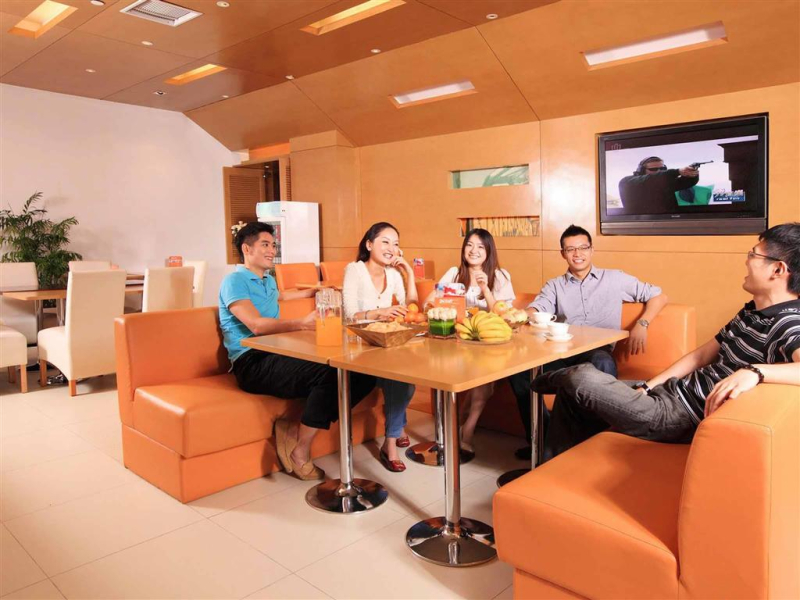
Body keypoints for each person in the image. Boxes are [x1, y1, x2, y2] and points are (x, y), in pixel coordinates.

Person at [536, 222, 800, 461]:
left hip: (676, 416)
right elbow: (699, 356)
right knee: (573, 393)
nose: (746, 260)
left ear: (778, 269)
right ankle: (552, 467)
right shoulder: (751, 312)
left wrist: (755, 371)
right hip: (671, 392)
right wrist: (648, 386)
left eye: (754, 254)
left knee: (581, 376)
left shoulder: (788, 322)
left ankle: (539, 381)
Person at [219, 222, 376, 481]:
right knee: (331, 375)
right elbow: (256, 325)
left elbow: (281, 296)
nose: (272, 251)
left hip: (277, 352)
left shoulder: (267, 280)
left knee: (362, 373)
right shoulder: (234, 281)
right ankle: (299, 450)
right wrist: (301, 323)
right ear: (247, 249)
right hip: (251, 361)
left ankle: (294, 430)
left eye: (273, 245)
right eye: (265, 245)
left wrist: (314, 291)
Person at [510, 224, 668, 459]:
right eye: (570, 249)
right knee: (519, 374)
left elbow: (658, 295)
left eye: (583, 248)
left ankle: (595, 445)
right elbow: (537, 308)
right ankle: (543, 440)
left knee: (603, 363)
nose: (578, 254)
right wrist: (521, 315)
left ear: (592, 250)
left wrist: (642, 323)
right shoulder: (555, 285)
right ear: (563, 254)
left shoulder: (614, 279)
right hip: (562, 353)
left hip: (596, 352)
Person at [424, 228, 516, 454]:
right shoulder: (454, 274)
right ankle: (460, 426)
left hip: (487, 345)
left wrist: (485, 289)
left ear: (489, 251)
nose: (474, 250)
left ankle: (467, 430)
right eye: (469, 245)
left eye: (480, 247)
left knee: (484, 378)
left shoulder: (500, 276)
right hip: (455, 342)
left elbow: (504, 316)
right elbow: (429, 302)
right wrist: (439, 306)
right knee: (477, 377)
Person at [342, 222, 418, 472]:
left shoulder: (393, 275)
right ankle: (392, 443)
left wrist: (409, 272)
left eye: (395, 244)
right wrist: (379, 312)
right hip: (358, 347)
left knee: (408, 377)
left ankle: (392, 435)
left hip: (385, 344)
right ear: (369, 244)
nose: (391, 248)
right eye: (385, 241)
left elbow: (412, 307)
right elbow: (349, 315)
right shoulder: (354, 270)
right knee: (401, 380)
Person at [618, 156, 699, 215]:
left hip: (668, 223)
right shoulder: (627, 182)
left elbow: (685, 183)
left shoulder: (663, 183)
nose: (659, 171)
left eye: (662, 169)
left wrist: (692, 173)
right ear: (641, 171)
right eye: (654, 169)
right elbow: (651, 179)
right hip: (642, 226)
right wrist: (677, 171)